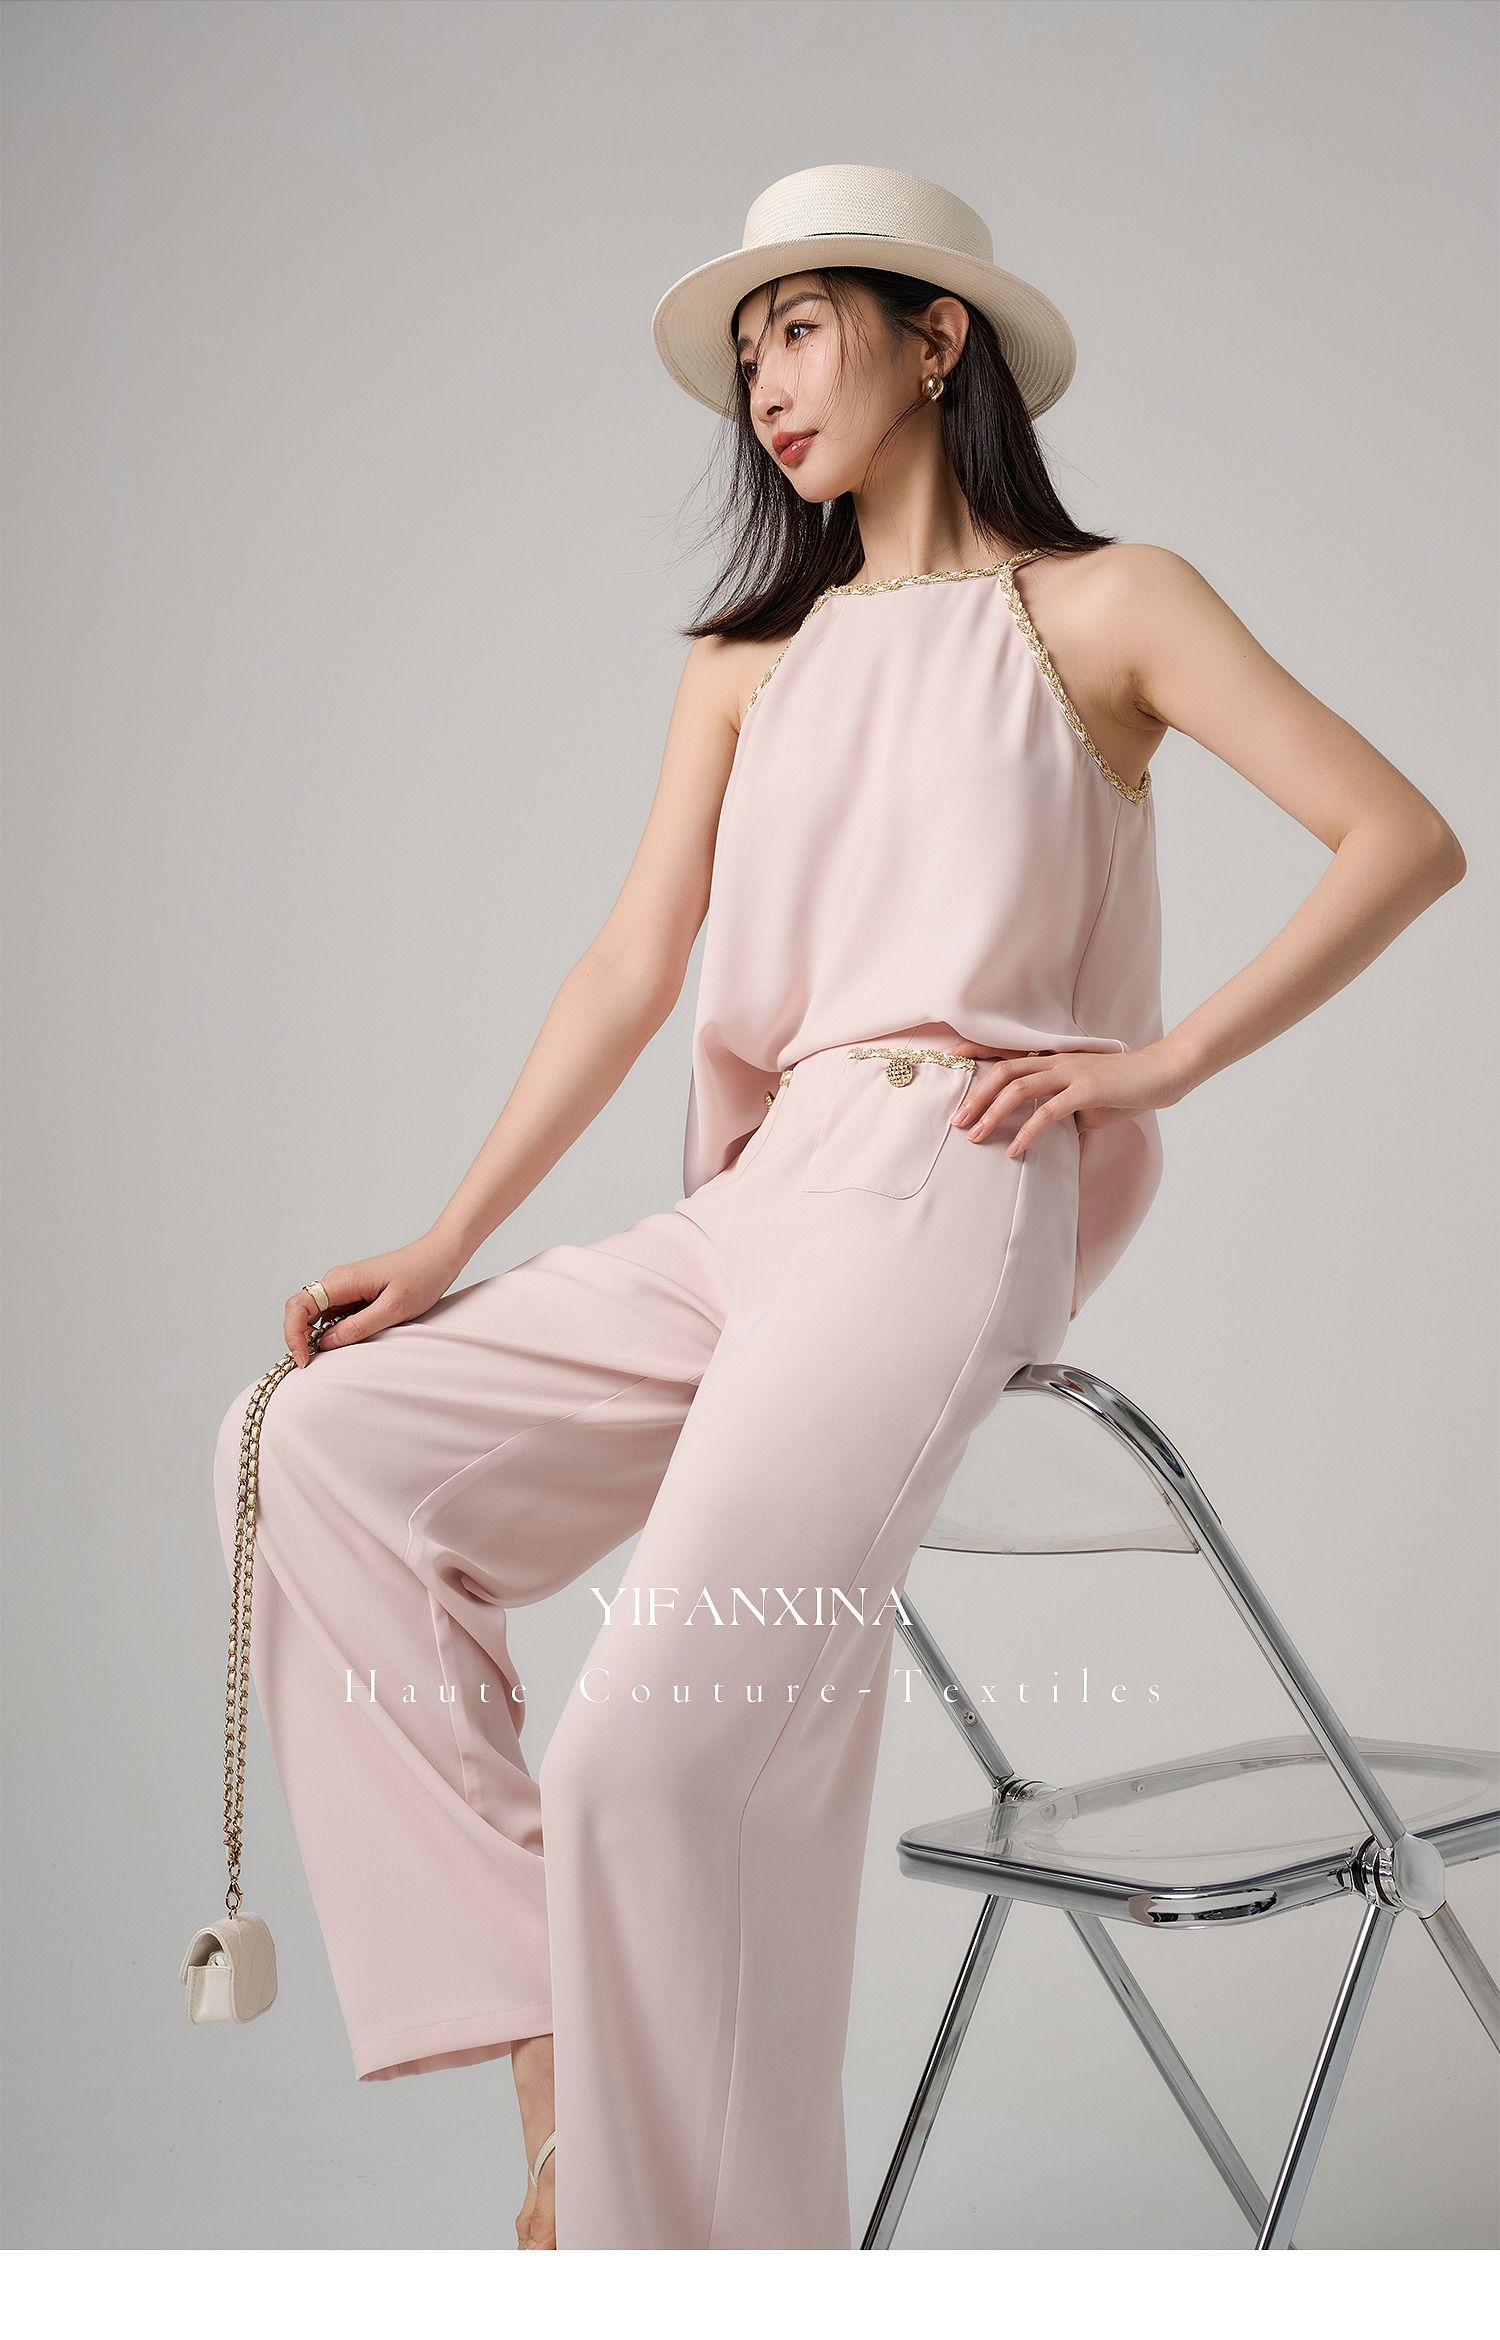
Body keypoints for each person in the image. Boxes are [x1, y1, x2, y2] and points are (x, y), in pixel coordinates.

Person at [210, 162, 1466, 2252]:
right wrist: (446, 1242)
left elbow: (1400, 836)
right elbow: (632, 966)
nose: (768, 386)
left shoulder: (1108, 605)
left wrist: (1157, 1064)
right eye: (748, 356)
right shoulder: (748, 660)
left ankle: (649, 2253)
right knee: (308, 1444)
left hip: (940, 1197)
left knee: (640, 1763)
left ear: (935, 334)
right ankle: (550, 2044)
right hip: (759, 1195)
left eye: (801, 327)